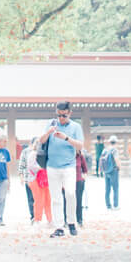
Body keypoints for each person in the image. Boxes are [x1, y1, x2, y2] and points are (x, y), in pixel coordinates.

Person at [45, 100, 84, 237]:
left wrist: (66, 138)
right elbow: (41, 141)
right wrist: (48, 132)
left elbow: (80, 146)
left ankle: (71, 222)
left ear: (70, 113)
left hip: (69, 166)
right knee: (56, 198)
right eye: (59, 115)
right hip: (52, 166)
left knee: (70, 193)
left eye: (64, 115)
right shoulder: (51, 124)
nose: (61, 118)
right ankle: (59, 227)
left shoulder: (76, 127)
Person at [30, 137, 53, 228]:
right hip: (36, 179)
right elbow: (31, 166)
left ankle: (50, 219)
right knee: (39, 200)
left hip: (46, 179)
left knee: (48, 199)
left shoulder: (47, 154)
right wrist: (41, 167)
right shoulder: (33, 154)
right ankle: (37, 219)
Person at [101, 136, 121, 209]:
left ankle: (108, 205)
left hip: (106, 171)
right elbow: (116, 159)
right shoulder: (114, 150)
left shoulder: (105, 150)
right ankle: (115, 205)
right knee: (115, 188)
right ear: (116, 142)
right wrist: (119, 167)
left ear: (109, 142)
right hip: (113, 170)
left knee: (107, 189)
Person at [75, 148, 88, 228]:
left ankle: (79, 220)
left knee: (78, 201)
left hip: (78, 182)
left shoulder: (80, 156)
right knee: (66, 201)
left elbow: (85, 169)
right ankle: (66, 220)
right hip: (67, 182)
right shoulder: (65, 156)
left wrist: (83, 178)